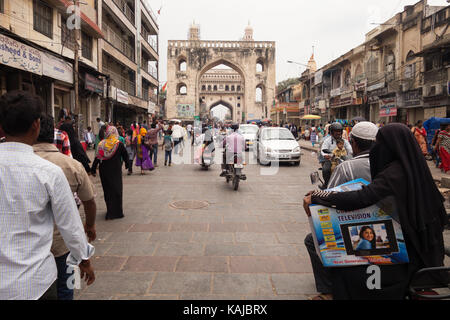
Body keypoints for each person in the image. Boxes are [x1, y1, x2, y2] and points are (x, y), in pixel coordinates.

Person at [304, 123, 448, 300]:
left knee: (346, 270)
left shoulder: (394, 174)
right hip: (427, 257)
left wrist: (318, 196)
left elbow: (362, 197)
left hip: (409, 264)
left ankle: (331, 293)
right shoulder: (416, 171)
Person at [0, 91, 95, 300]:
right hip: (35, 284)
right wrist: (84, 261)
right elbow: (71, 226)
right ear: (36, 125)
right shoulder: (49, 173)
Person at [304, 121, 378, 300]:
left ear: (353, 142)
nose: (338, 134)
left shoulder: (349, 166)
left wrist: (316, 199)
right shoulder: (392, 166)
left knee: (312, 240)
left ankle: (328, 291)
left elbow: (331, 197)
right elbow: (323, 156)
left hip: (359, 222)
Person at [34, 114, 97, 300]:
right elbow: (89, 202)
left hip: (27, 249)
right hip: (62, 245)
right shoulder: (71, 165)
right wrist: (90, 226)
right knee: (65, 287)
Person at [91, 126, 130, 220]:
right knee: (117, 190)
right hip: (115, 171)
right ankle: (118, 212)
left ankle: (110, 211)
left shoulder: (101, 144)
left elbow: (97, 157)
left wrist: (92, 169)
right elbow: (125, 155)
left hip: (104, 171)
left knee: (107, 190)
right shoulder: (118, 144)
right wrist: (127, 165)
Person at [320, 122, 353, 187]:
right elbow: (323, 150)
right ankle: (326, 184)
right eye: (336, 131)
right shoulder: (327, 141)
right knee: (326, 169)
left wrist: (351, 155)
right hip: (331, 160)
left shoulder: (344, 141)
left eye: (339, 131)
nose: (338, 133)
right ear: (331, 132)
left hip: (343, 159)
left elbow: (350, 149)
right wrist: (326, 155)